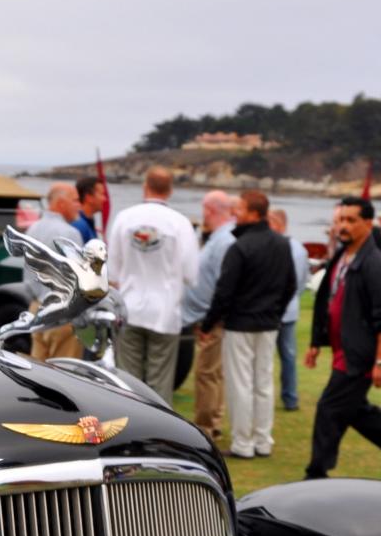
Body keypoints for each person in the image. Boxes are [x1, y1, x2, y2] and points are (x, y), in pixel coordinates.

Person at [304, 196, 381, 481]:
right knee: (356, 412)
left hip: (360, 356)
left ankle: (316, 473)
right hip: (343, 350)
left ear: (368, 224)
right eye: (340, 220)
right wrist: (316, 344)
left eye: (351, 220)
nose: (343, 226)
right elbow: (327, 302)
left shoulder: (375, 266)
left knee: (329, 409)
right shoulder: (343, 257)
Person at [201, 190, 296, 459]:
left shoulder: (240, 247)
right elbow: (290, 284)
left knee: (240, 384)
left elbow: (224, 291)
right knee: (263, 382)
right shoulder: (282, 243)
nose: (234, 214)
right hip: (268, 323)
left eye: (239, 209)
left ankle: (244, 443)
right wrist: (276, 312)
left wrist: (208, 324)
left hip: (241, 324)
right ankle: (263, 441)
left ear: (254, 213)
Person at [105, 167, 199, 402]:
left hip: (129, 307)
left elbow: (112, 271)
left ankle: (128, 426)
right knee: (160, 382)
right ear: (170, 190)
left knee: (127, 380)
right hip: (165, 311)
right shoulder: (180, 223)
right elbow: (190, 273)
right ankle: (160, 433)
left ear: (145, 186)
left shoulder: (125, 218)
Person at [181, 191, 237, 442]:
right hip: (205, 315)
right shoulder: (218, 238)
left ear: (210, 209)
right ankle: (212, 421)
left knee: (207, 373)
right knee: (213, 373)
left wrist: (210, 320)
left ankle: (206, 427)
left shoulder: (224, 240)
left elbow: (224, 285)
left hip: (211, 319)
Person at [24, 183, 86, 360]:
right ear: (61, 203)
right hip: (62, 315)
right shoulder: (70, 232)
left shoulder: (32, 229)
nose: (79, 205)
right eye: (75, 200)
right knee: (64, 378)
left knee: (37, 373)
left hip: (36, 309)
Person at [268, 208, 310, 411]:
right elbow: (302, 281)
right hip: (289, 309)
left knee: (270, 358)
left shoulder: (276, 246)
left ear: (278, 223)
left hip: (273, 310)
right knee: (288, 357)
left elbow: (299, 281)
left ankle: (284, 397)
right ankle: (290, 398)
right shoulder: (300, 248)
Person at [72, 176, 104, 243]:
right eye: (102, 194)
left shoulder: (87, 222)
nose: (104, 199)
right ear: (89, 197)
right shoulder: (79, 226)